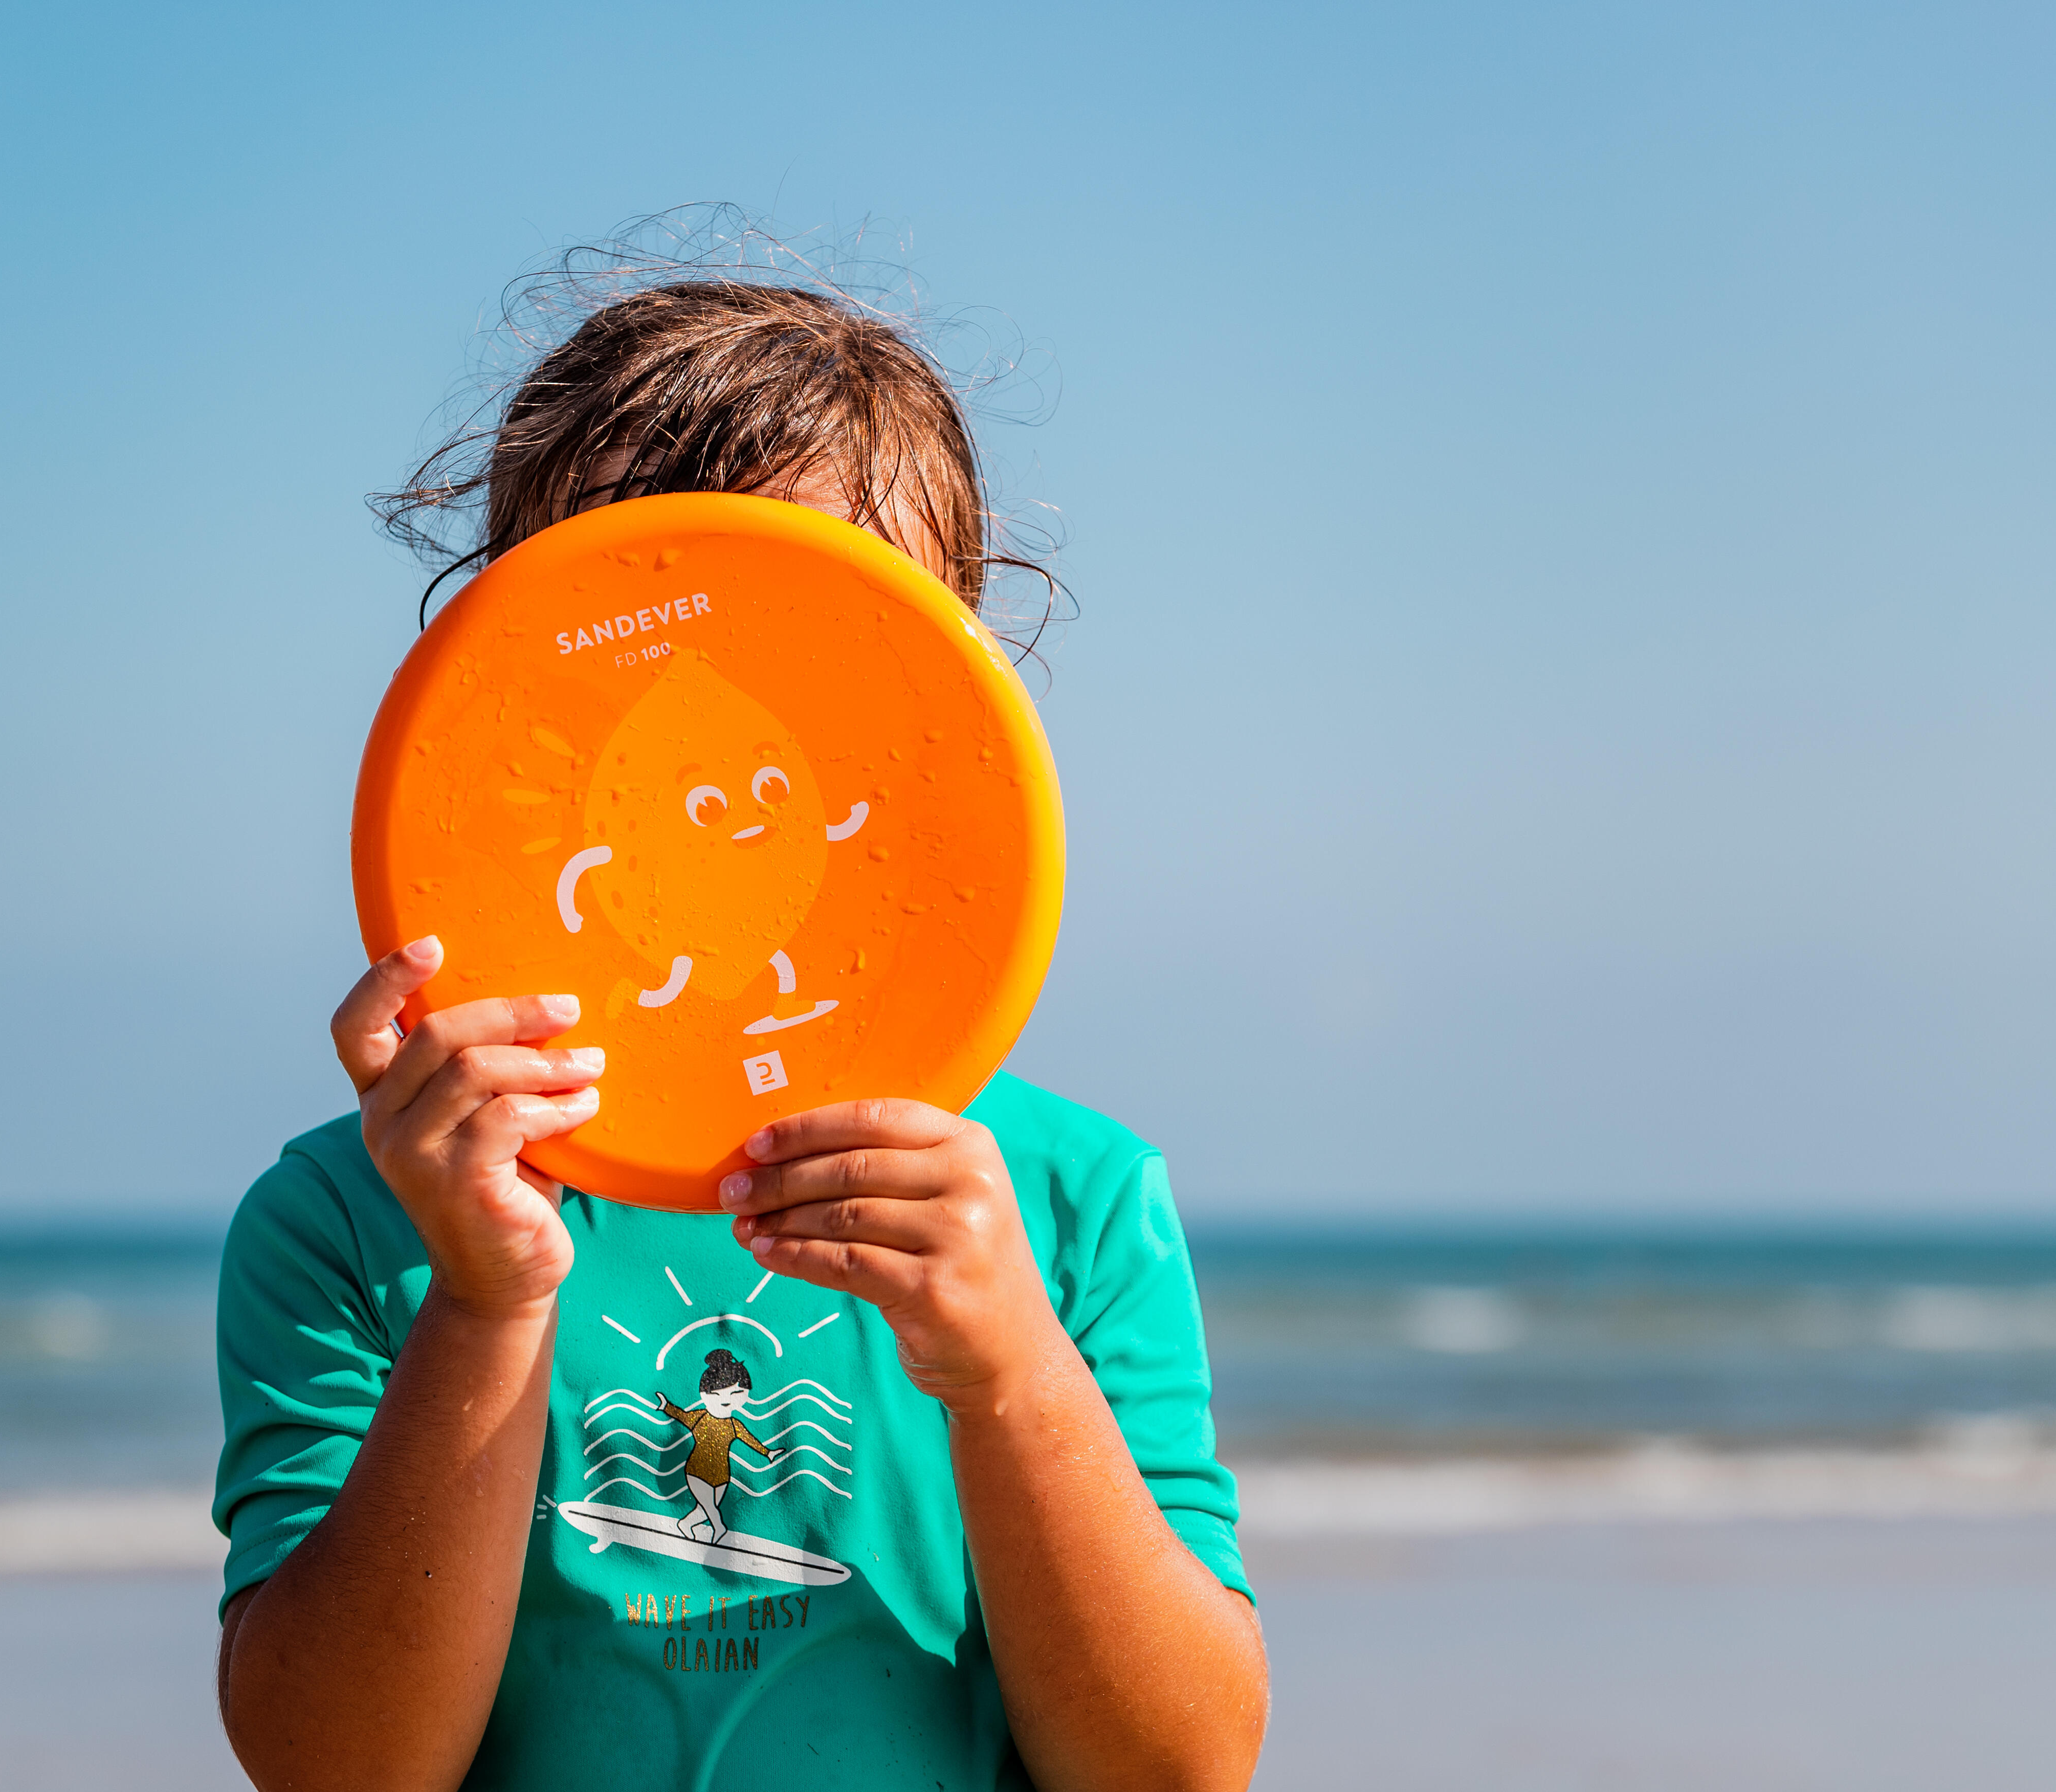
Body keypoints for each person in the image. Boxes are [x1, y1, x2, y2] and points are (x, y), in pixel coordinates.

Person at [214, 260, 1269, 1792]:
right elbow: (335, 1768)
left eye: (826, 644)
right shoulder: (351, 1221)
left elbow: (1176, 1766)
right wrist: (482, 1304)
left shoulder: (1061, 1209)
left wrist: (1010, 1373)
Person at [656, 1349, 782, 1542]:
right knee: (711, 1508)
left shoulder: (734, 1425)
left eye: (736, 1393)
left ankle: (686, 1524)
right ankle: (720, 1528)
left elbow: (750, 1440)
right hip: (697, 1471)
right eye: (716, 1394)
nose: (726, 1400)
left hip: (723, 1475)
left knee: (705, 1510)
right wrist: (666, 1406)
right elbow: (681, 1415)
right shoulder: (699, 1418)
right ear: (705, 1394)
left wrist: (768, 1453)